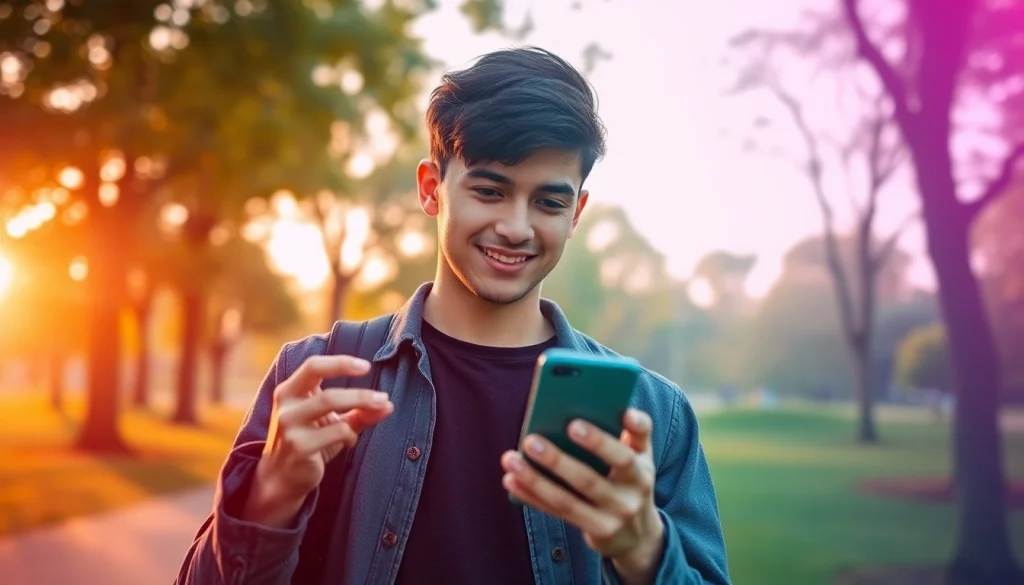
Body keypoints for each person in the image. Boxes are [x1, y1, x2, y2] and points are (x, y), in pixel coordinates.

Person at [175, 46, 730, 585]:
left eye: (549, 202)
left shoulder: (654, 415)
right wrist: (270, 497)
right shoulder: (316, 376)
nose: (516, 227)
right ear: (430, 189)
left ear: (576, 213)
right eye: (489, 190)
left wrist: (644, 552)